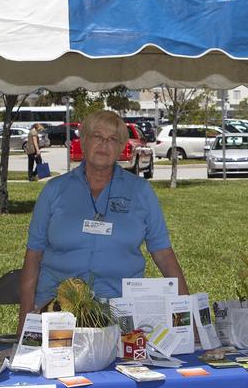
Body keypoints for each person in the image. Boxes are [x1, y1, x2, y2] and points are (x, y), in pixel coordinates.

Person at [17, 110, 187, 330]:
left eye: (113, 139)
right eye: (97, 136)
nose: (104, 144)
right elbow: (33, 255)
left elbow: (163, 253)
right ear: (83, 141)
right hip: (57, 311)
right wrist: (25, 321)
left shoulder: (140, 191)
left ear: (121, 147)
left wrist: (187, 314)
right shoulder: (54, 190)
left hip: (119, 312)